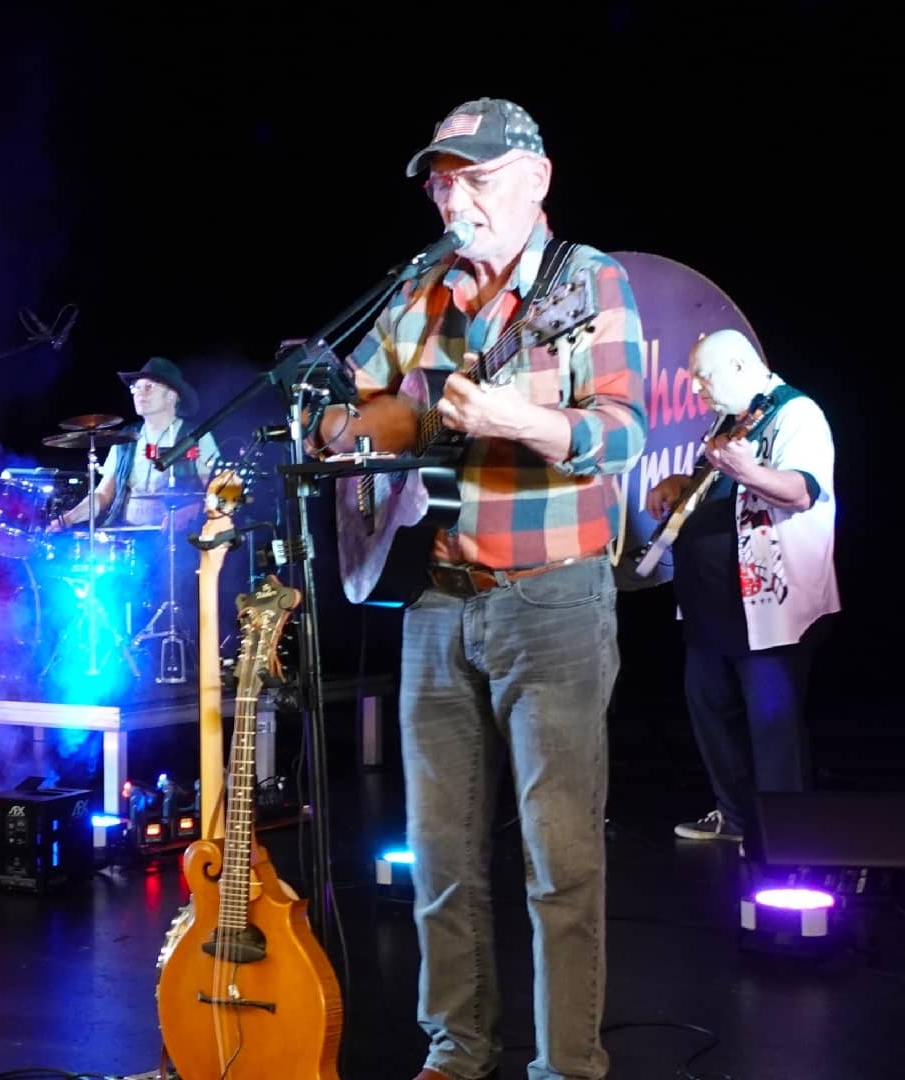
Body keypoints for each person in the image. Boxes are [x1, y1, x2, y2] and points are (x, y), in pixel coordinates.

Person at [314, 98, 646, 1080]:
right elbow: (356, 399)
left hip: (553, 600)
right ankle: (453, 1053)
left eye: (477, 176)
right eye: (442, 179)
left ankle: (565, 1066)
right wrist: (349, 426)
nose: (455, 196)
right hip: (435, 599)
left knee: (560, 866)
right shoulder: (424, 288)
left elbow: (620, 432)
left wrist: (522, 418)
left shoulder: (588, 282)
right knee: (439, 859)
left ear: (536, 179)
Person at [645, 329, 837, 854]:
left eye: (704, 379)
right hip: (714, 601)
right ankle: (733, 816)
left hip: (770, 605)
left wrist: (750, 470)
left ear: (737, 367)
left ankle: (787, 832)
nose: (698, 391)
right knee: (708, 707)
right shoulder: (730, 418)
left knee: (771, 721)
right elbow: (719, 486)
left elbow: (801, 491)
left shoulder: (798, 414)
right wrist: (680, 485)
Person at [49, 356, 219, 531]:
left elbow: (216, 490)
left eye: (149, 387)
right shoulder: (125, 439)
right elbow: (103, 494)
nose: (139, 393)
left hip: (179, 537)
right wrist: (68, 518)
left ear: (171, 396)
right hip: (129, 537)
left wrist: (190, 511)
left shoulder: (196, 436)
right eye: (136, 388)